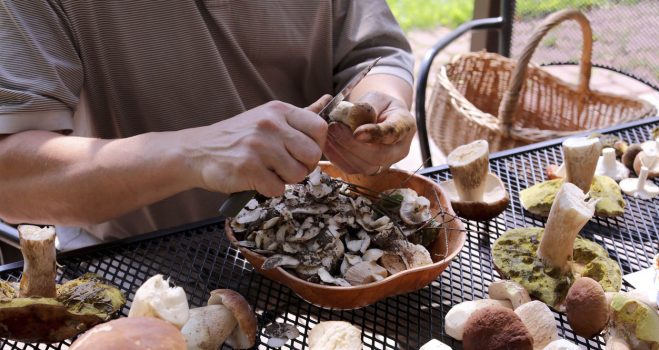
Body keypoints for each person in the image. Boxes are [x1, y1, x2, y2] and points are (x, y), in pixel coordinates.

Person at [0, 1, 415, 250]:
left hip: (325, 232)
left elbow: (374, 52)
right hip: (138, 259)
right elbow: (10, 177)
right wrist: (193, 153)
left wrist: (379, 105)